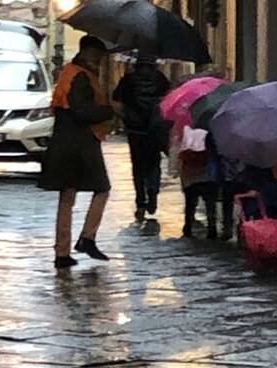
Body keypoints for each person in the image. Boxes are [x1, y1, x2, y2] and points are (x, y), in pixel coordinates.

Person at [38, 36, 115, 269]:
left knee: (67, 196)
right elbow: (82, 112)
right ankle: (87, 238)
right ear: (87, 52)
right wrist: (110, 110)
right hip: (80, 145)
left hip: (65, 143)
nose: (100, 61)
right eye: (98, 55)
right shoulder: (80, 77)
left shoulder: (70, 73)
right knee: (102, 189)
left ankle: (62, 251)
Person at [113, 55, 171, 222]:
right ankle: (152, 193)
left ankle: (140, 202)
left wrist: (125, 117)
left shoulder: (128, 80)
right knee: (154, 162)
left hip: (135, 129)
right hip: (154, 128)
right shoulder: (160, 79)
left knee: (138, 166)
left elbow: (116, 100)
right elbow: (168, 99)